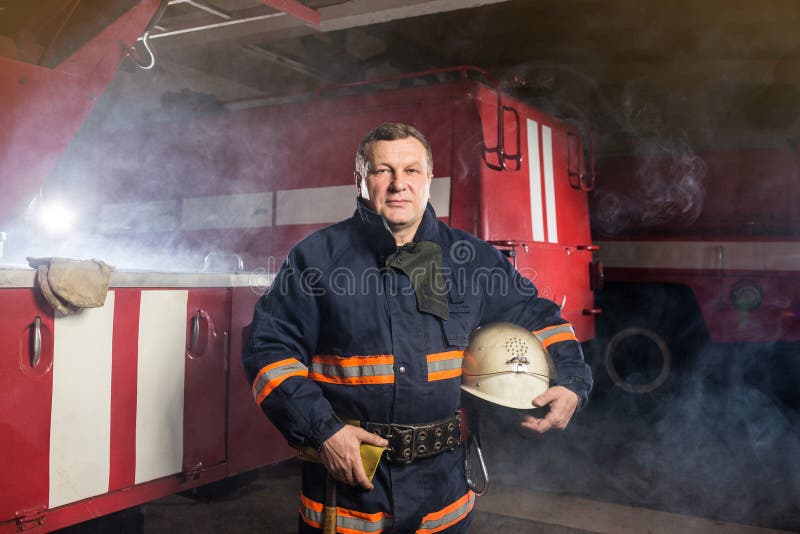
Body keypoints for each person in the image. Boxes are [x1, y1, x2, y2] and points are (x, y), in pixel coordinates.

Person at [242, 122, 592, 533]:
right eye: (382, 170)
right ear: (360, 180)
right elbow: (269, 351)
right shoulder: (316, 259)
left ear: (429, 180)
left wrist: (571, 381)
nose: (398, 185)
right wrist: (325, 432)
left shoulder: (471, 260)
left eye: (410, 171)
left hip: (443, 498)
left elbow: (540, 317)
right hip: (351, 497)